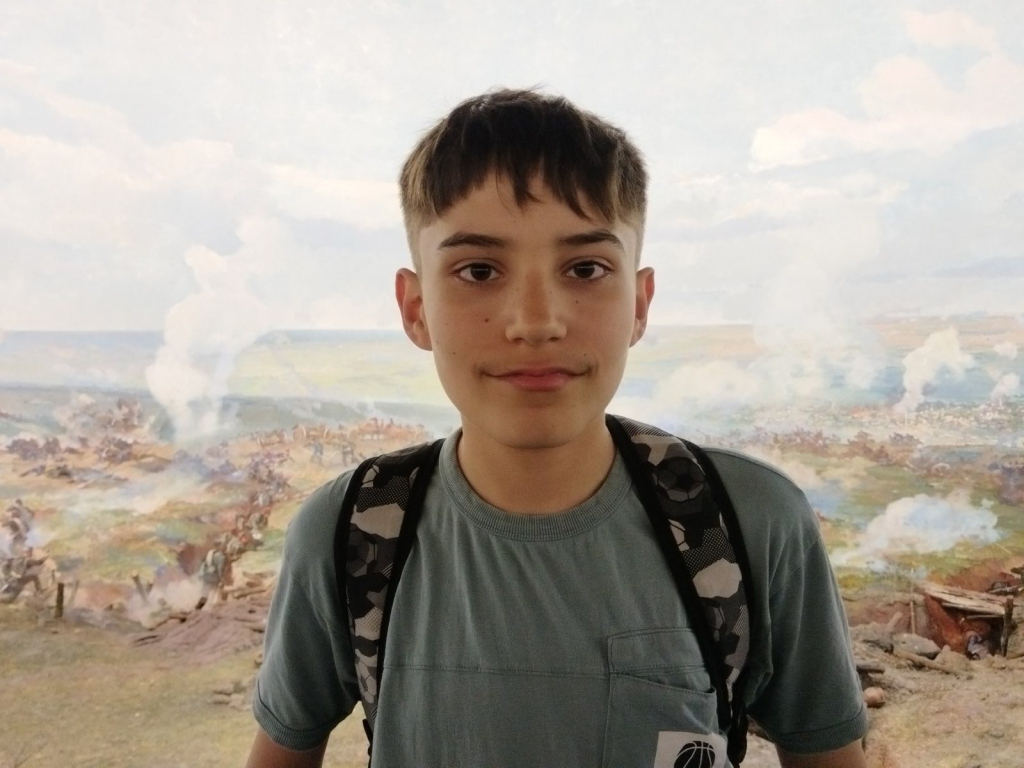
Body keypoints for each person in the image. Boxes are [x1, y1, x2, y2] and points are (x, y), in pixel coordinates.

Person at [245, 88, 868, 768]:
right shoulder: (350, 532)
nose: (536, 321)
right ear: (416, 308)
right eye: (479, 270)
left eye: (586, 269)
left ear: (639, 303)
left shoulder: (746, 523)